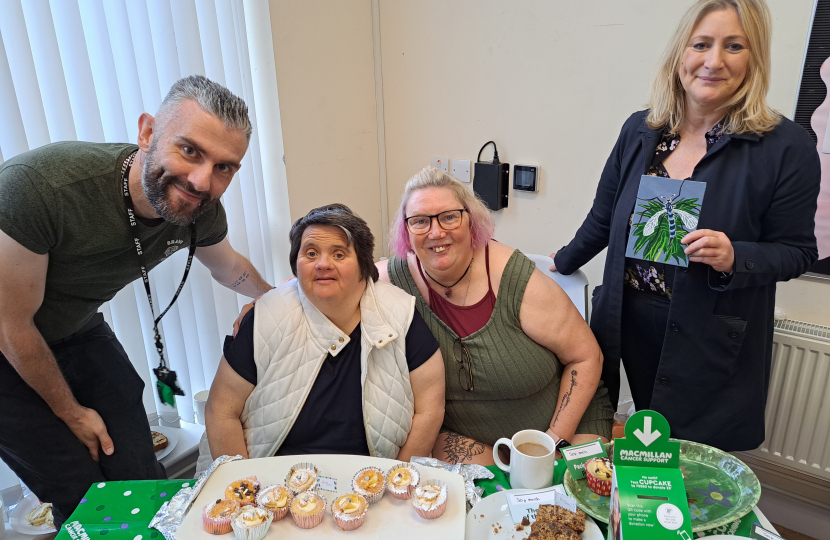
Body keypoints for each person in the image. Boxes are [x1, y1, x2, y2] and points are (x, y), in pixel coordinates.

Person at [0, 75, 273, 527]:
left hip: (76, 326)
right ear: (147, 132)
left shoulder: (198, 209)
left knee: (140, 472)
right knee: (82, 491)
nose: (202, 180)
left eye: (225, 167)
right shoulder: (41, 189)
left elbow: (228, 267)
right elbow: (12, 326)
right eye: (190, 150)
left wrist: (278, 300)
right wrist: (71, 412)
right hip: (8, 339)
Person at [551, 0, 820, 451]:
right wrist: (555, 264)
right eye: (702, 44)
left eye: (734, 46)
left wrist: (737, 255)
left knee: (688, 457)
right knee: (626, 438)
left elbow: (797, 251)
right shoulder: (641, 131)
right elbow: (603, 216)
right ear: (681, 54)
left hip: (706, 328)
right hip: (628, 317)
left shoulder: (784, 147)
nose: (714, 61)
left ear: (753, 58)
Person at [378, 167, 614, 465]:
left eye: (449, 216)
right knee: (489, 505)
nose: (436, 232)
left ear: (470, 221)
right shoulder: (392, 280)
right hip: (469, 440)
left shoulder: (515, 279)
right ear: (406, 232)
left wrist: (552, 442)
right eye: (420, 221)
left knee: (566, 502)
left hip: (564, 427)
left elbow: (586, 357)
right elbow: (339, 280)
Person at [197, 204, 445, 474]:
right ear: (296, 264)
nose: (323, 264)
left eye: (339, 254)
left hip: (373, 481)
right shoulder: (265, 317)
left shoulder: (401, 313)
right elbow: (221, 411)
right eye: (311, 253)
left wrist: (397, 480)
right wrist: (246, 490)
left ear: (363, 264)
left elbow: (430, 408)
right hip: (274, 484)